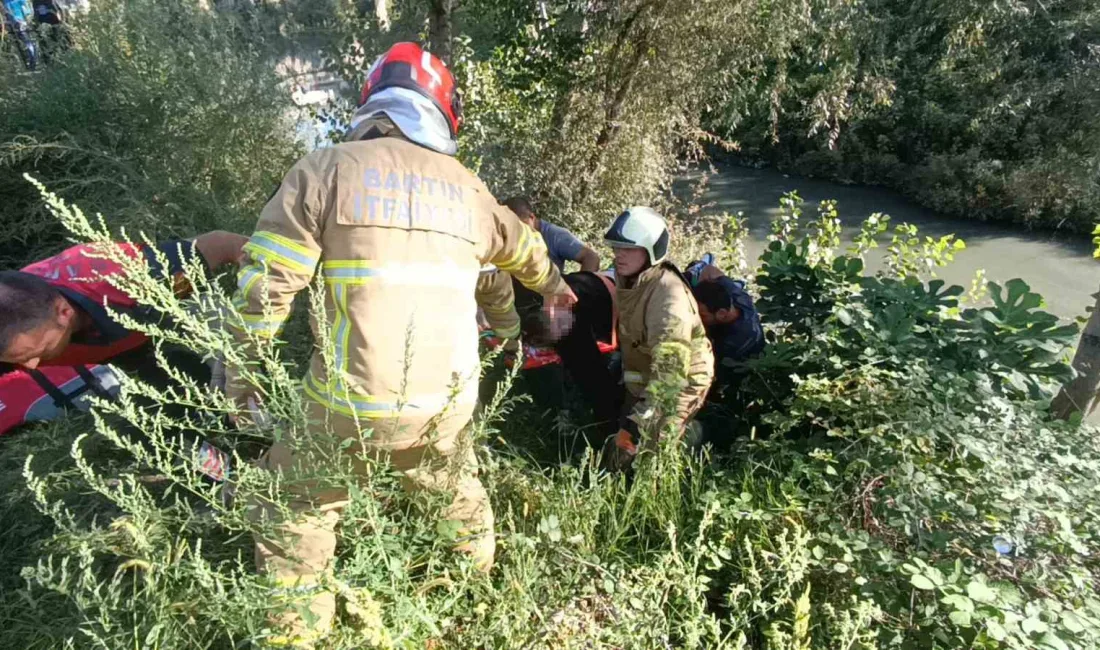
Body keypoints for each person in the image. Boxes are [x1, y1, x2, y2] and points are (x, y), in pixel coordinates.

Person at [225, 42, 575, 647]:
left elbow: (265, 290)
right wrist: (557, 290)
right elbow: (527, 250)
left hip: (347, 406)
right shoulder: (470, 190)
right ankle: (476, 593)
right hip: (445, 406)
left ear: (372, 103)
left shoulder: (324, 170)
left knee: (294, 510)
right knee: (456, 492)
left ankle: (295, 633)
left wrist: (241, 376)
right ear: (444, 114)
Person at [0, 231, 249, 434]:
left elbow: (226, 244)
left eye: (37, 352)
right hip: (119, 348)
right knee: (168, 416)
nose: (31, 366)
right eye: (18, 359)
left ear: (64, 313)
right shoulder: (15, 331)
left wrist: (256, 323)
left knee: (240, 381)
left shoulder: (129, 276)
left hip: (165, 314)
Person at [601, 206, 714, 470]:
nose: (618, 254)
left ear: (651, 250)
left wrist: (642, 418)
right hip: (645, 375)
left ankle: (692, 435)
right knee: (621, 447)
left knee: (650, 458)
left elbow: (671, 372)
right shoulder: (630, 278)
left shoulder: (668, 296)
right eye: (616, 247)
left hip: (678, 381)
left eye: (628, 248)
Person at [690, 263, 765, 384]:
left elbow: (701, 365)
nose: (697, 317)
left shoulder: (735, 340)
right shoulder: (737, 297)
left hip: (736, 374)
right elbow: (709, 269)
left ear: (722, 314)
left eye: (702, 315)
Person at [505, 196, 600, 273]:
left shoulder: (555, 235)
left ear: (531, 217)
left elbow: (591, 257)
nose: (515, 233)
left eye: (520, 228)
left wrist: (580, 290)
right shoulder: (504, 236)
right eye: (510, 229)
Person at [2, 0, 39, 71]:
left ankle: (33, 62)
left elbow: (26, 10)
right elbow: (5, 12)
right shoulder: (5, 1)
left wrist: (25, 21)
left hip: (20, 22)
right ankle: (27, 61)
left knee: (27, 41)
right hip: (11, 23)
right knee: (19, 41)